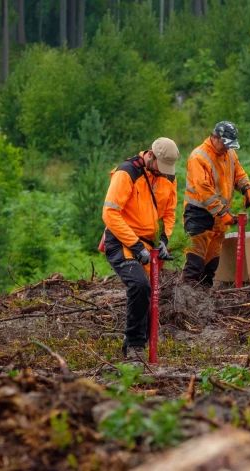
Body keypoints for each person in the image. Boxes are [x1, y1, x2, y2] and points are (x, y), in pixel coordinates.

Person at [102, 138, 179, 359]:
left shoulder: (168, 177)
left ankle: (138, 341)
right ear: (150, 156)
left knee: (149, 292)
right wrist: (136, 246)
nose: (163, 173)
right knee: (140, 285)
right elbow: (110, 214)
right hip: (121, 241)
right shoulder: (126, 173)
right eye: (160, 167)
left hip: (150, 244)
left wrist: (163, 239)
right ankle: (135, 346)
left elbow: (169, 213)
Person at [183, 121, 250, 287]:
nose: (227, 148)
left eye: (230, 145)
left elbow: (238, 173)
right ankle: (185, 301)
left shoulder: (229, 153)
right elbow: (204, 191)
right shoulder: (199, 157)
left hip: (218, 218)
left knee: (211, 266)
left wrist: (246, 188)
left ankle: (204, 301)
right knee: (195, 263)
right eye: (225, 144)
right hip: (198, 216)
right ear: (214, 137)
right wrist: (222, 214)